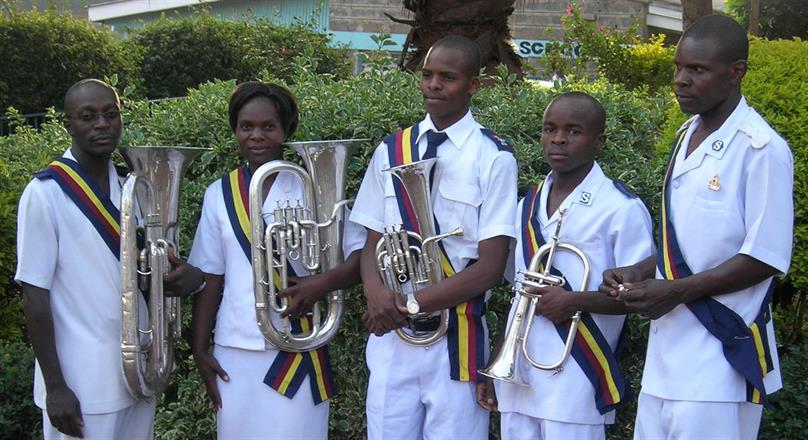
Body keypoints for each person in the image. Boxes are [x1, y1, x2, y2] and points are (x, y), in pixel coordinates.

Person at [600, 14, 793, 439]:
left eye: (697, 70)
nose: (681, 80)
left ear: (735, 73)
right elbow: (685, 245)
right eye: (678, 67)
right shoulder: (686, 133)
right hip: (666, 358)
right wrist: (641, 272)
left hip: (721, 356)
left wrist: (675, 291)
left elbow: (765, 256)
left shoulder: (762, 149)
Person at [15, 78, 204, 439]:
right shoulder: (44, 193)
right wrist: (55, 387)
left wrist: (191, 278)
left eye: (110, 114)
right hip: (80, 382)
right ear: (68, 125)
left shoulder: (135, 187)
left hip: (137, 374)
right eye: (88, 116)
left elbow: (147, 270)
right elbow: (34, 294)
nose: (102, 124)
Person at [350, 35, 518, 439]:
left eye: (448, 77)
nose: (434, 85)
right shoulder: (391, 150)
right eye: (427, 75)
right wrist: (375, 295)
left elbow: (491, 267)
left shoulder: (493, 157)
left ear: (474, 85)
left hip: (456, 338)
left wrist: (407, 303)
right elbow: (371, 237)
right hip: (392, 336)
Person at [188, 81, 364, 439]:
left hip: (297, 344)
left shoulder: (313, 186)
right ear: (234, 130)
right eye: (246, 126)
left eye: (268, 126)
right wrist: (198, 348)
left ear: (286, 130)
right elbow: (212, 276)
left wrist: (320, 284)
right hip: (234, 347)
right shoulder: (218, 194)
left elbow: (359, 260)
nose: (257, 135)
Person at [480, 92, 655, 439]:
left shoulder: (621, 208)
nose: (558, 139)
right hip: (520, 375)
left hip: (578, 373)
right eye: (549, 129)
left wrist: (574, 301)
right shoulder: (526, 204)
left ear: (599, 142)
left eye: (573, 131)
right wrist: (495, 360)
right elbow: (521, 293)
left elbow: (640, 294)